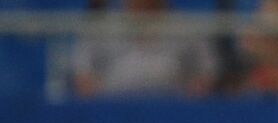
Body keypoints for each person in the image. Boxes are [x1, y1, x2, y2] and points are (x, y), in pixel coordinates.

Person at [70, 0, 220, 98]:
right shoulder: (100, 28)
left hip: (174, 116)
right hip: (111, 115)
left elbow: (207, 75)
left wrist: (190, 96)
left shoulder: (188, 28)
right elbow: (82, 75)